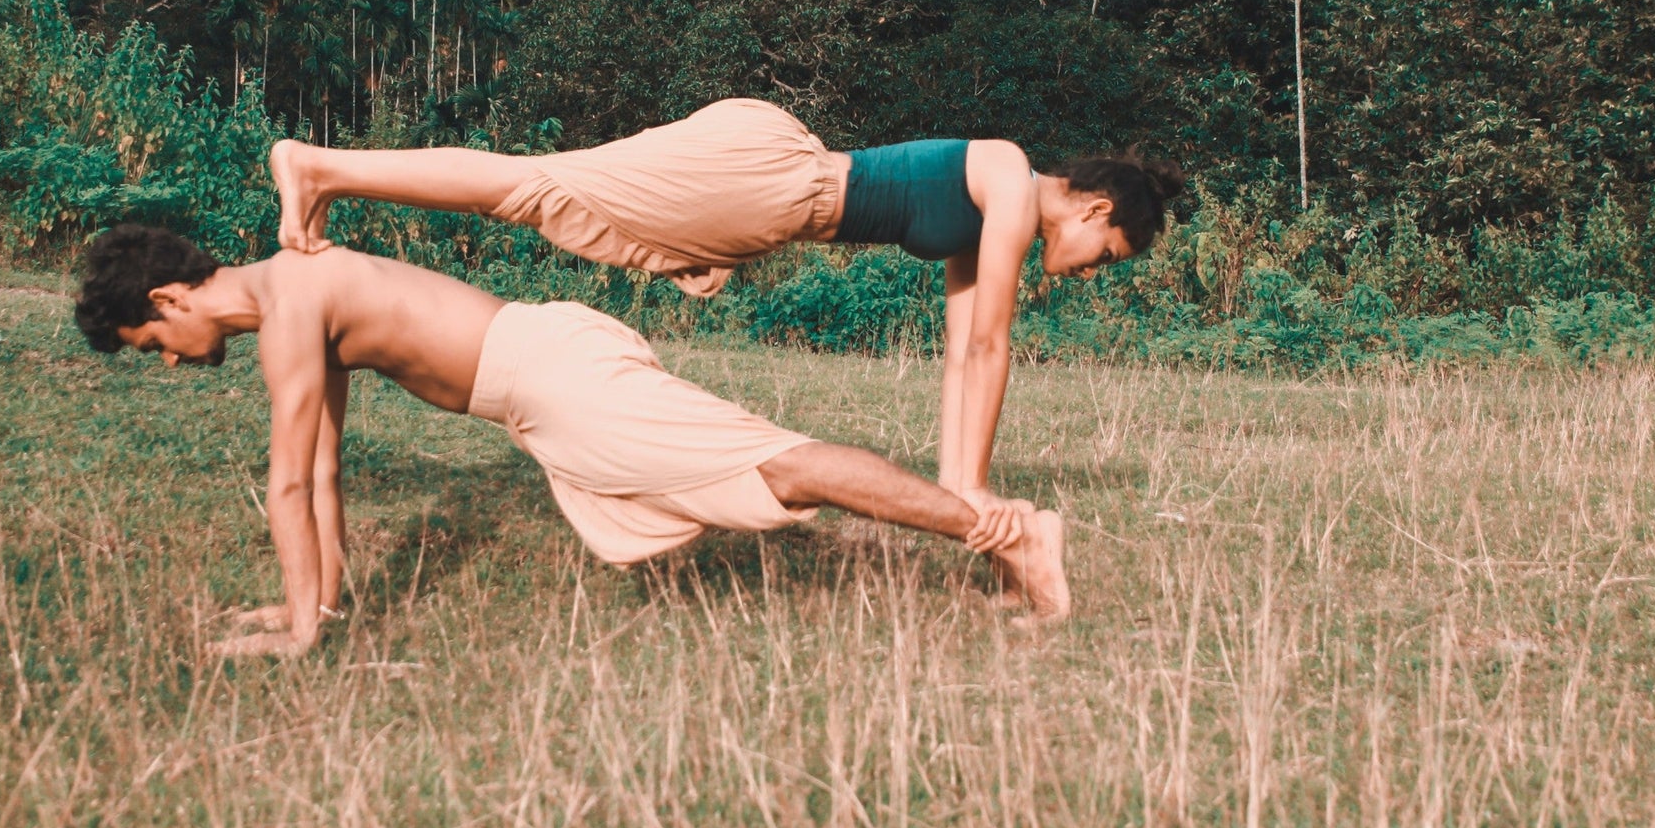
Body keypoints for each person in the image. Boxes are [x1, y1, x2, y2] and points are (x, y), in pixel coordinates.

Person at [74, 222, 1069, 655]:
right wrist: (314, 607)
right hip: (540, 385)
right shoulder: (292, 296)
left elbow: (289, 486)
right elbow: (323, 473)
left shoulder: (288, 299)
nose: (166, 358)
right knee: (770, 471)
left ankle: (1007, 531)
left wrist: (294, 631)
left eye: (151, 340)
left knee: (781, 464)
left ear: (167, 297)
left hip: (550, 377)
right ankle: (1000, 532)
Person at [270, 101, 1182, 499]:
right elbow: (989, 352)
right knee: (537, 188)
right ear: (1097, 208)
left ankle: (329, 170)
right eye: (1111, 250)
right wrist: (975, 497)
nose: (1098, 265)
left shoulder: (996, 211)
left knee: (562, 199)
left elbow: (963, 356)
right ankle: (320, 167)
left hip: (765, 203)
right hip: (773, 182)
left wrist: (958, 489)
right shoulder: (1015, 184)